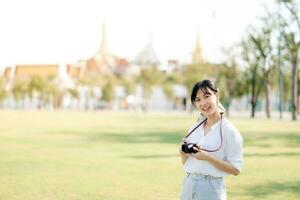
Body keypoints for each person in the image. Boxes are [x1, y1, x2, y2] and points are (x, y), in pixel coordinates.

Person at [179, 80, 243, 200]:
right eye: (198, 100)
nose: (203, 103)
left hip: (211, 188)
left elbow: (236, 170)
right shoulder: (194, 128)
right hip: (188, 184)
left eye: (206, 96)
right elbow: (187, 164)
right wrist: (182, 154)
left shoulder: (230, 131)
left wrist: (207, 157)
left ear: (217, 94)